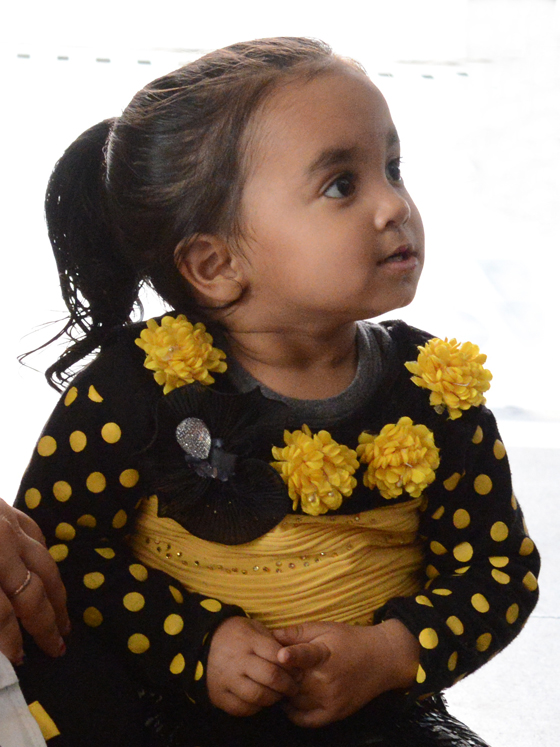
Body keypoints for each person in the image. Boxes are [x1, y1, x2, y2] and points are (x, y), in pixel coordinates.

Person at [14, 37, 539, 746]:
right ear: (215, 262)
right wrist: (199, 643)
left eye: (392, 167)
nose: (393, 205)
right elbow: (56, 556)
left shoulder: (437, 392)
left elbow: (499, 570)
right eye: (340, 185)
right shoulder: (136, 385)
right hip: (159, 707)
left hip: (373, 718)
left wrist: (392, 652)